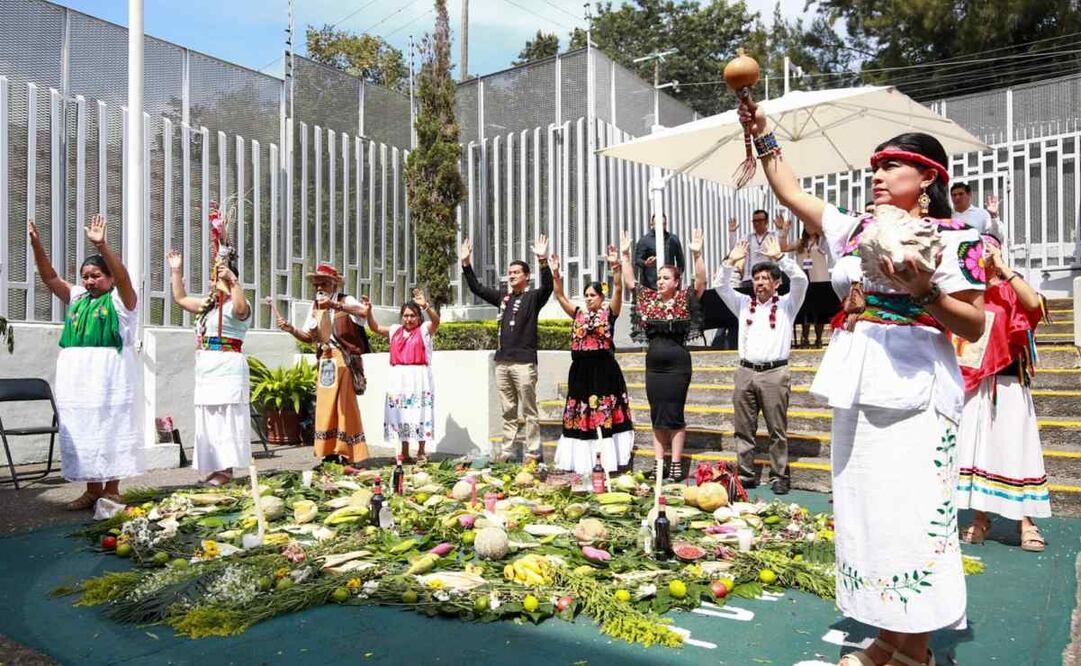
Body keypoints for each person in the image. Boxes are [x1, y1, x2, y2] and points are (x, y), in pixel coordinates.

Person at [744, 97, 986, 666]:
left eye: (891, 166)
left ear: (928, 177)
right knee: (868, 511)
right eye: (874, 167)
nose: (877, 175)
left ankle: (916, 651)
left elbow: (973, 324)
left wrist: (926, 290)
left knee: (912, 514)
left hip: (919, 385)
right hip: (860, 377)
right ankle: (885, 641)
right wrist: (762, 133)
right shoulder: (853, 229)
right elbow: (792, 194)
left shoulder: (958, 241)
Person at [29, 215, 143, 509]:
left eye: (96, 276)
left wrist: (102, 246)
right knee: (85, 427)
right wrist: (36, 246)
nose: (89, 281)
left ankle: (112, 489)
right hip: (77, 375)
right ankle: (93, 489)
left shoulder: (123, 301)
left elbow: (125, 278)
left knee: (111, 424)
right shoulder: (78, 296)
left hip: (110, 373)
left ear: (110, 278)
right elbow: (50, 278)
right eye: (86, 276)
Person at [954, 236, 1050, 552]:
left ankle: (1026, 522)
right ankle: (981, 519)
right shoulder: (972, 293)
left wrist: (1004, 268)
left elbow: (1034, 304)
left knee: (1014, 448)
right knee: (979, 449)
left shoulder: (1011, 287)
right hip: (976, 383)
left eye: (988, 250)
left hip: (1008, 383)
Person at [717, 237, 808, 494]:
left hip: (775, 373)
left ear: (776, 283)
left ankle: (780, 475)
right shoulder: (744, 304)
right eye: (756, 279)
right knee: (743, 429)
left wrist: (780, 258)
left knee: (776, 429)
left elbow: (801, 280)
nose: (759, 283)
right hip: (745, 372)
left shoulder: (788, 304)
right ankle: (746, 474)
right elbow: (720, 286)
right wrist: (731, 260)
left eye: (765, 278)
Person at [620, 228, 706, 482]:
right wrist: (625, 255)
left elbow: (701, 282)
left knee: (674, 413)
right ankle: (659, 463)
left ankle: (676, 464)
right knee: (657, 413)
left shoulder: (683, 299)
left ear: (676, 281)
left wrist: (697, 254)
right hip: (654, 367)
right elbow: (629, 282)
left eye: (665, 277)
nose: (660, 281)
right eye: (658, 278)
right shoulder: (648, 299)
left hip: (677, 366)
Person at [460, 236, 553, 462]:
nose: (511, 276)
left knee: (529, 411)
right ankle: (508, 452)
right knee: (508, 410)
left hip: (524, 363)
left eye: (516, 272)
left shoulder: (533, 298)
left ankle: (532, 452)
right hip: (502, 363)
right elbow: (477, 288)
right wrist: (466, 264)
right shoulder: (504, 298)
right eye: (510, 273)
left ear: (526, 276)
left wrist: (542, 259)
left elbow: (549, 286)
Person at [167, 245, 251, 486]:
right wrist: (175, 271)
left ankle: (226, 470)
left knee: (226, 418)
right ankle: (213, 468)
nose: (211, 282)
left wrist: (232, 282)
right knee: (209, 419)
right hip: (206, 368)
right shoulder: (208, 306)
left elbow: (241, 309)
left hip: (227, 365)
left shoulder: (238, 304)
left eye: (216, 277)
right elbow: (181, 298)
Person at [549, 247, 634, 474]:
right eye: (586, 295)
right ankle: (581, 460)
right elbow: (559, 296)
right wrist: (556, 275)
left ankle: (607, 460)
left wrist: (615, 266)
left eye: (592, 295)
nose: (588, 299)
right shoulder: (577, 314)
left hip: (603, 370)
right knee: (580, 412)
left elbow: (618, 288)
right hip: (580, 371)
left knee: (602, 412)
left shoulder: (609, 313)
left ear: (601, 297)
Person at [277, 263, 370, 465]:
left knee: (344, 406)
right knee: (326, 406)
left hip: (344, 360)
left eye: (324, 283)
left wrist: (334, 305)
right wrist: (291, 329)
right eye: (317, 283)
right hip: (325, 360)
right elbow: (309, 337)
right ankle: (328, 452)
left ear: (334, 285)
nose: (319, 287)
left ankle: (348, 453)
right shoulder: (314, 307)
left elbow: (363, 312)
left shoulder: (345, 300)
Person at [366, 288, 440, 465]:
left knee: (420, 412)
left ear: (418, 317)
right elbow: (375, 328)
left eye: (412, 315)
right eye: (405, 316)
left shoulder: (424, 330)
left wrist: (427, 307)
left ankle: (421, 451)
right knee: (401, 414)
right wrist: (368, 312)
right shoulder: (395, 330)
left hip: (419, 377)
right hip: (398, 377)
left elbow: (436, 322)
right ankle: (404, 451)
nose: (408, 319)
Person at [786, 224, 839, 348]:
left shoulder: (822, 241)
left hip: (820, 279)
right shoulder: (800, 243)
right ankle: (804, 338)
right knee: (806, 311)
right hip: (804, 280)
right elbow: (784, 247)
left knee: (819, 311)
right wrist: (784, 231)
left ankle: (819, 338)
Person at [728, 211, 790, 294]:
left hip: (771, 279)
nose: (756, 223)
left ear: (766, 222)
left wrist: (781, 229)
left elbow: (783, 247)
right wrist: (732, 233)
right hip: (750, 279)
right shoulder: (747, 237)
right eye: (754, 221)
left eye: (760, 220)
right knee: (750, 305)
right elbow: (735, 250)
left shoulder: (774, 235)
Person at [634, 213, 685, 290]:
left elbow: (680, 261)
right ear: (652, 224)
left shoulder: (673, 239)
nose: (661, 227)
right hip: (651, 286)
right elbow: (637, 260)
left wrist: (677, 277)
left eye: (663, 224)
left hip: (669, 286)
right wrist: (646, 263)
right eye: (657, 224)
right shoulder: (645, 241)